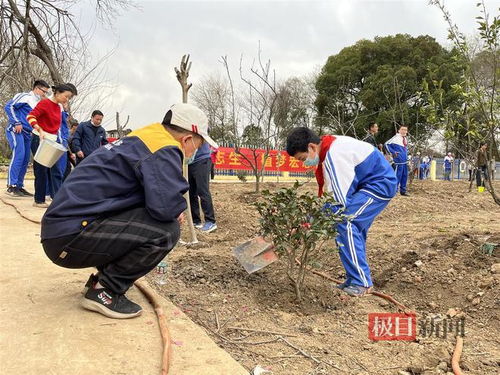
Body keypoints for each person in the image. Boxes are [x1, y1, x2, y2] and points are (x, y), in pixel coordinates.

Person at [40, 103, 218, 319]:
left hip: (62, 231)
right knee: (166, 230)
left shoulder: (145, 137)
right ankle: (106, 290)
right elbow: (166, 208)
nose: (195, 152)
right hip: (69, 236)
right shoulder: (164, 148)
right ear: (187, 139)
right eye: (198, 146)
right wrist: (175, 209)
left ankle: (102, 281)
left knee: (148, 215)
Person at [286, 127, 397, 297]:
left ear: (311, 147)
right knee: (350, 227)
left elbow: (337, 202)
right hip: (364, 185)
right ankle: (355, 279)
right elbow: (332, 197)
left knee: (346, 222)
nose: (304, 163)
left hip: (379, 185)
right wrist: (308, 220)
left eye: (302, 158)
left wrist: (307, 224)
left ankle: (361, 282)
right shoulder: (328, 147)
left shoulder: (333, 156)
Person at [27, 83, 77, 207]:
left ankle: (56, 198)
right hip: (40, 139)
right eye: (66, 96)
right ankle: (39, 200)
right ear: (58, 93)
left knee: (55, 170)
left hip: (52, 141)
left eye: (69, 98)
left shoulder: (58, 107)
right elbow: (30, 116)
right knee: (41, 171)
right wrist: (40, 130)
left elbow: (59, 126)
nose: (67, 100)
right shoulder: (45, 103)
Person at [4, 80, 50, 197]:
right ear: (37, 89)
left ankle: (19, 185)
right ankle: (11, 185)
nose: (44, 94)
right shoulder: (25, 97)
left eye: (46, 92)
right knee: (18, 155)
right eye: (43, 91)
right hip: (16, 130)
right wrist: (16, 122)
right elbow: (9, 106)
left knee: (25, 159)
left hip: (28, 133)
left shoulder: (38, 103)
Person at [188, 142, 217, 232]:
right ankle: (196, 221)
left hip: (202, 159)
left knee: (202, 190)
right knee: (191, 192)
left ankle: (210, 221)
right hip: (189, 162)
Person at [385, 125, 409, 196]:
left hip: (404, 161)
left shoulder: (405, 139)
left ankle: (403, 191)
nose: (404, 131)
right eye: (402, 129)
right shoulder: (396, 137)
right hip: (398, 161)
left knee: (404, 176)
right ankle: (394, 191)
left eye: (405, 130)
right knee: (397, 176)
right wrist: (393, 152)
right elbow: (386, 144)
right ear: (399, 130)